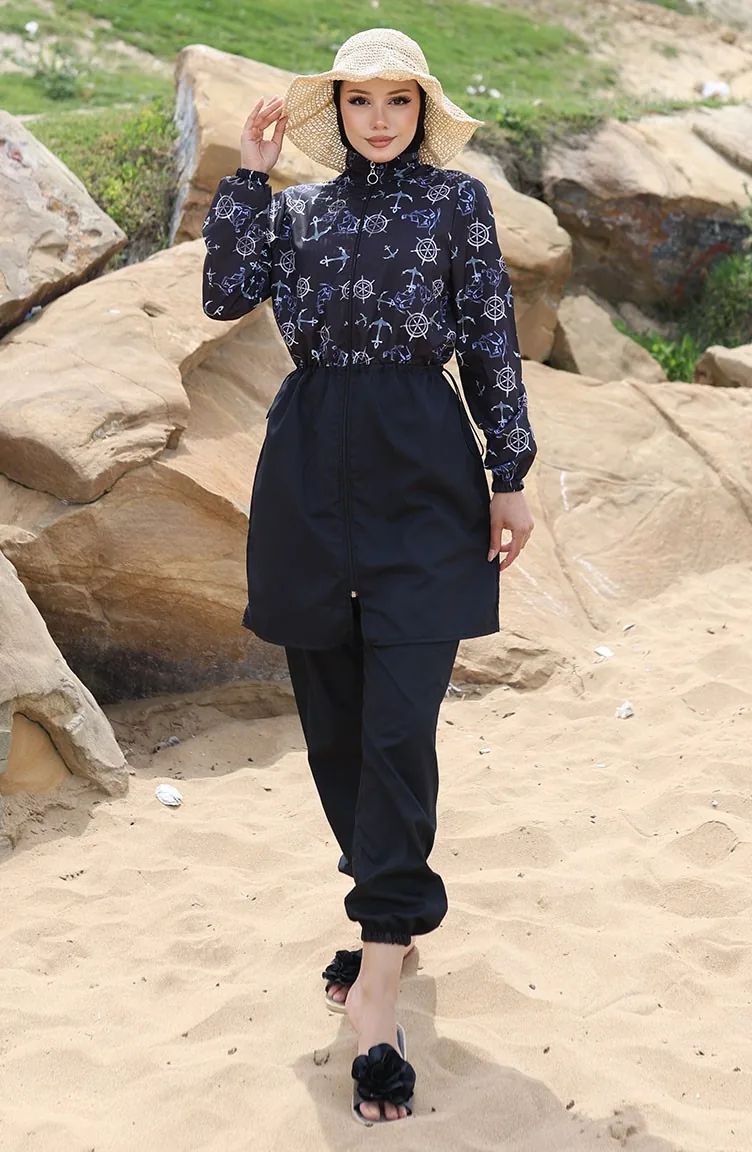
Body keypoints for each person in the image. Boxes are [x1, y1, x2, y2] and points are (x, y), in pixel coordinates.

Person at [201, 26, 536, 1125]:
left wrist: (508, 475)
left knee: (397, 727)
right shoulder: (294, 211)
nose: (379, 119)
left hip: (422, 474)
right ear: (336, 111)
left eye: (398, 101)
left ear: (421, 111)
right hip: (307, 473)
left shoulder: (456, 205)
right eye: (360, 101)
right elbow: (225, 294)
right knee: (335, 725)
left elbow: (489, 338)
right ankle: (388, 908)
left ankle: (380, 981)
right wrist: (249, 179)